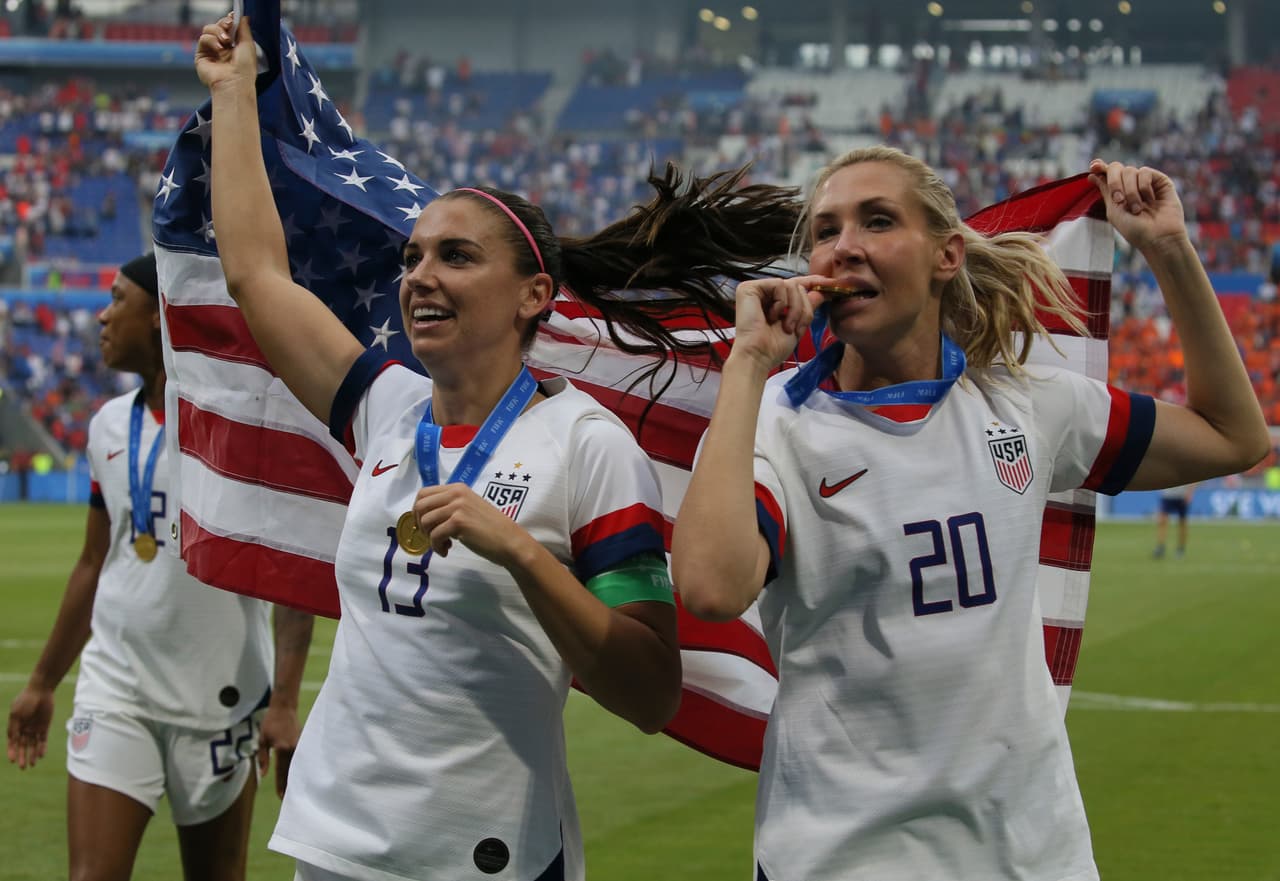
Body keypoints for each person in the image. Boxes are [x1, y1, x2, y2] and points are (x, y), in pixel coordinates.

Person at [195, 15, 797, 881]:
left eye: (456, 256)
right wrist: (230, 96)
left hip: (487, 851)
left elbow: (649, 690)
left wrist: (518, 550)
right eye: (412, 256)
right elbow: (256, 276)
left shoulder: (588, 445)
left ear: (532, 295)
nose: (419, 275)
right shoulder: (386, 409)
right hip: (335, 839)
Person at [671, 146, 1270, 880]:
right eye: (825, 232)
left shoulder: (1026, 402)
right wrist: (746, 364)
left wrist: (1169, 250)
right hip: (841, 859)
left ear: (946, 253)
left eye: (878, 220)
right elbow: (708, 587)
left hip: (1033, 856)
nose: (844, 246)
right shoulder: (772, 423)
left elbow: (1233, 436)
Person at [5, 252, 314, 881]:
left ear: (157, 315)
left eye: (118, 299)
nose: (102, 316)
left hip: (221, 700)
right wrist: (42, 682)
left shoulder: (239, 424)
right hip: (117, 686)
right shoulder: (105, 426)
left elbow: (290, 573)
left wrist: (283, 700)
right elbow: (94, 562)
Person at [1153, 482, 1197, 558]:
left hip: (1182, 495)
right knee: (1162, 522)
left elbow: (1193, 478)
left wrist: (1190, 493)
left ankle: (1181, 548)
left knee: (1182, 523)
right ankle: (1161, 546)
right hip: (1167, 495)